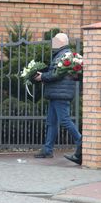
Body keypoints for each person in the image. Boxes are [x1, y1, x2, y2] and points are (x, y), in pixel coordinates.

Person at [34, 33, 82, 165]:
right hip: (56, 93)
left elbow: (56, 75)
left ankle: (81, 142)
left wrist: (42, 77)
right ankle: (47, 149)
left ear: (61, 42)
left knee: (64, 120)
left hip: (61, 94)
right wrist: (43, 76)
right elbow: (55, 73)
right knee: (51, 122)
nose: (53, 43)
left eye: (55, 41)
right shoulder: (62, 54)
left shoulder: (65, 55)